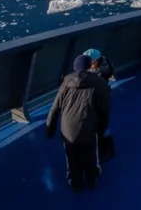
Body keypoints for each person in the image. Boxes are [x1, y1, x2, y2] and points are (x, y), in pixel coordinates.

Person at [46, 54, 111, 192]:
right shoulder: (100, 83)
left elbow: (55, 108)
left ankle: (75, 183)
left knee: (72, 157)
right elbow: (105, 109)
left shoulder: (67, 81)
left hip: (68, 128)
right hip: (88, 127)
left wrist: (50, 129)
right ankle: (91, 180)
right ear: (89, 66)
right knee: (90, 154)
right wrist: (102, 128)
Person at [83, 48, 116, 162]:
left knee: (100, 126)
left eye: (91, 62)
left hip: (101, 100)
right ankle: (105, 150)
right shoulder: (102, 65)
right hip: (97, 100)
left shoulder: (102, 70)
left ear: (96, 60)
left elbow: (100, 77)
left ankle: (106, 151)